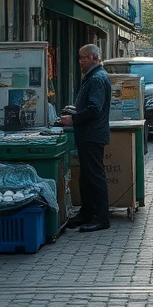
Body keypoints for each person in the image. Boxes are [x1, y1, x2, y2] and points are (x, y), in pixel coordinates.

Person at [56, 44, 112, 231]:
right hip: (89, 134)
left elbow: (95, 109)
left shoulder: (96, 78)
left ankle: (101, 218)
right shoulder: (93, 77)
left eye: (84, 58)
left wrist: (73, 119)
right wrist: (76, 110)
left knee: (94, 176)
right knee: (87, 176)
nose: (80, 62)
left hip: (92, 135)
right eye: (80, 58)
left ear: (94, 58)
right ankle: (87, 213)